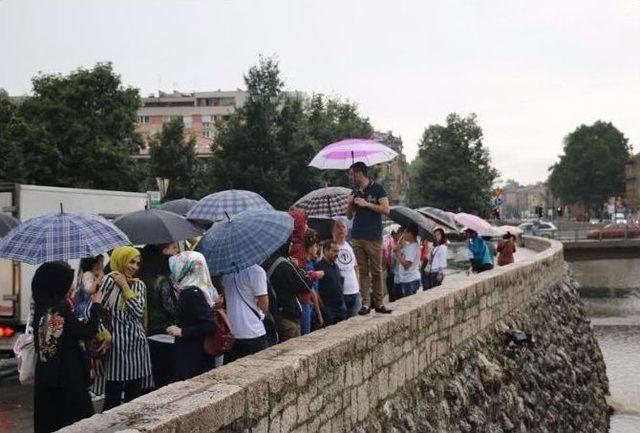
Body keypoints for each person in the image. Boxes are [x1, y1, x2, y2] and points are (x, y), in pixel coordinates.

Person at [32, 261, 103, 433]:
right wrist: (96, 305)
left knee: (50, 422)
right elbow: (87, 332)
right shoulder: (58, 310)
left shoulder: (42, 307)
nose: (71, 286)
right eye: (67, 281)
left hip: (46, 379)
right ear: (58, 284)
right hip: (67, 380)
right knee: (76, 423)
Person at [100, 246, 152, 410]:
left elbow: (138, 311)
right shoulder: (109, 280)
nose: (134, 267)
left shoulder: (138, 285)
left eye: (137, 264)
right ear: (121, 260)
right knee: (112, 398)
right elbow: (94, 310)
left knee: (133, 398)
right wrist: (103, 334)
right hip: (115, 346)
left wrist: (125, 287)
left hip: (136, 345)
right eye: (131, 262)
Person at [346, 161, 392, 315]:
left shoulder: (377, 188)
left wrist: (366, 204)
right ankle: (366, 303)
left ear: (360, 173)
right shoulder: (354, 192)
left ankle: (379, 302)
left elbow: (386, 209)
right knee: (363, 270)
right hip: (358, 235)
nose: (350, 177)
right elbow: (349, 215)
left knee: (377, 270)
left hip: (373, 236)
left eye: (352, 174)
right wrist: (350, 204)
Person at [165, 251, 217, 381]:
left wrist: (182, 331)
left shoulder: (192, 293)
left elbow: (209, 325)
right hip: (196, 354)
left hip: (193, 357)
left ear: (186, 268)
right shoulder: (198, 289)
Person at [139, 243, 179, 389]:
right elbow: (171, 307)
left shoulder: (139, 280)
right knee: (165, 379)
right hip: (164, 332)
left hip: (146, 332)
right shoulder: (162, 281)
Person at [261, 239, 311, 342]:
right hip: (288, 318)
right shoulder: (284, 264)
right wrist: (296, 267)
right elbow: (306, 286)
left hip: (275, 316)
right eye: (290, 243)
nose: (291, 245)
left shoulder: (264, 262)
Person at [222, 264, 270, 363]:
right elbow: (264, 305)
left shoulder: (226, 274)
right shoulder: (257, 271)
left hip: (233, 333)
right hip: (254, 332)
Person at [332, 217, 362, 317]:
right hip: (341, 293)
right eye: (338, 227)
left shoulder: (349, 246)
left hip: (354, 291)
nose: (341, 229)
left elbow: (356, 267)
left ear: (347, 230)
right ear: (333, 230)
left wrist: (358, 286)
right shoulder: (329, 247)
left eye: (343, 227)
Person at [315, 240, 347, 325]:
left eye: (338, 251)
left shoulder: (336, 266)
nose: (337, 254)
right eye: (334, 251)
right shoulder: (318, 267)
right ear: (325, 250)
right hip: (328, 309)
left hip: (340, 307)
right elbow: (315, 290)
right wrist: (323, 308)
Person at [302, 231, 324, 334]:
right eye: (315, 246)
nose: (317, 249)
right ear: (309, 247)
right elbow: (312, 290)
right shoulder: (307, 266)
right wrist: (319, 312)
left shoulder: (311, 262)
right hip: (309, 306)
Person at [72, 255, 104, 320]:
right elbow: (90, 290)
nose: (102, 266)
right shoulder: (87, 275)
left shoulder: (94, 276)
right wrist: (99, 278)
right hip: (83, 311)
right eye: (97, 268)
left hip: (88, 309)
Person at [393, 225, 422, 297]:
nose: (403, 235)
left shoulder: (414, 247)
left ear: (410, 234)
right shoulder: (409, 246)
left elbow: (406, 265)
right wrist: (398, 251)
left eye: (405, 233)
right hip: (406, 280)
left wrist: (398, 253)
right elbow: (401, 260)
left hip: (410, 280)